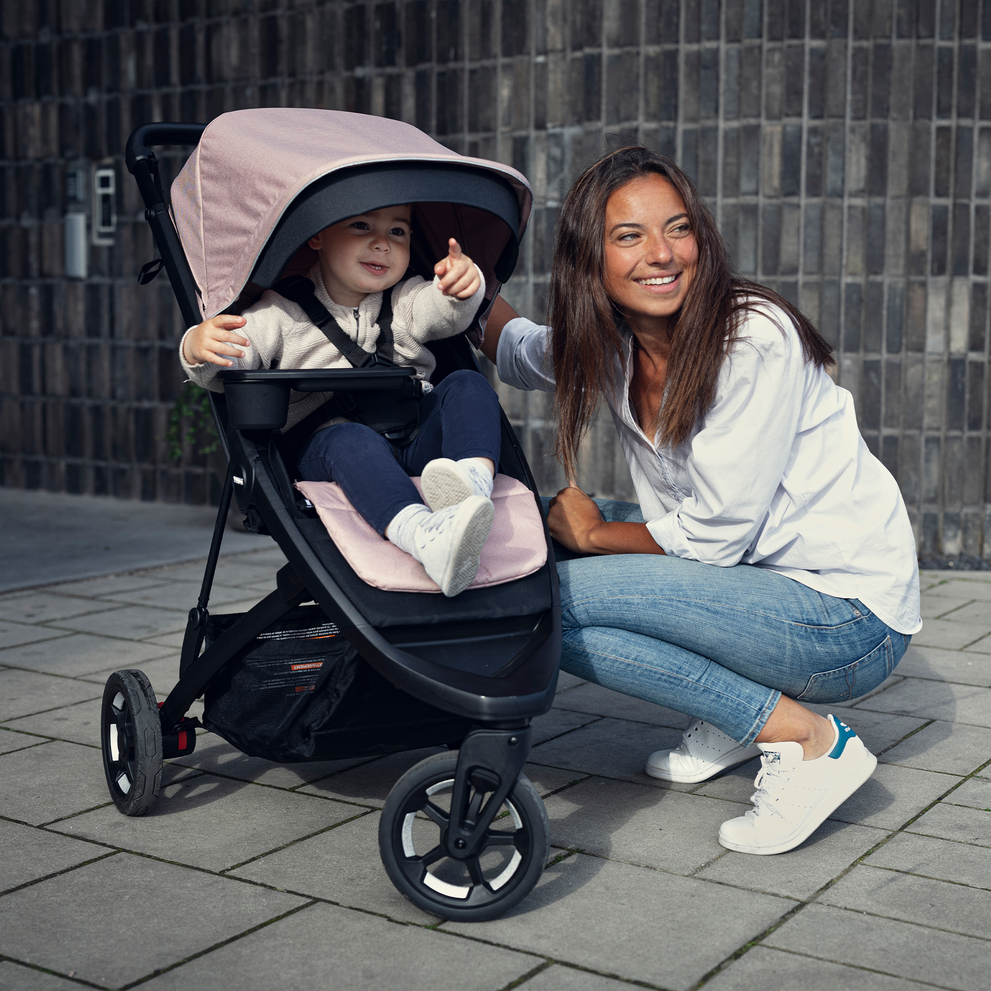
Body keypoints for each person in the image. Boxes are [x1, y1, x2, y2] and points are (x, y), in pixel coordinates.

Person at [480, 147, 922, 855]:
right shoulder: (614, 341)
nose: (661, 254)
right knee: (532, 548)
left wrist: (593, 536)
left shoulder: (750, 337)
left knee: (547, 594)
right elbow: (516, 347)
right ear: (589, 260)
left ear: (700, 237)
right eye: (628, 236)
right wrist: (457, 280)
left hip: (846, 621)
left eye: (676, 228)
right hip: (759, 579)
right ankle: (730, 707)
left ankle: (802, 739)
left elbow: (713, 538)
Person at [181, 205, 501, 597]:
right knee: (349, 439)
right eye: (361, 225)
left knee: (468, 383)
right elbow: (235, 356)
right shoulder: (280, 311)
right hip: (332, 450)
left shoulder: (405, 299)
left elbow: (442, 312)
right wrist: (199, 346)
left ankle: (471, 486)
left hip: (415, 435)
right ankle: (423, 534)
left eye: (398, 232)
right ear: (318, 236)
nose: (382, 243)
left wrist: (459, 289)